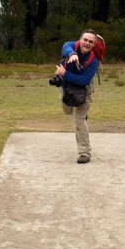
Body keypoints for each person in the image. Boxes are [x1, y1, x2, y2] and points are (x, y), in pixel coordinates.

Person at [53, 29, 98, 164]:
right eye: (85, 40)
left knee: (79, 120)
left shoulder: (93, 61)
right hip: (66, 89)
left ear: (94, 45)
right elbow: (65, 47)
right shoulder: (71, 45)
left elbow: (83, 80)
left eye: (91, 41)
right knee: (67, 110)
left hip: (82, 91)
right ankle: (82, 116)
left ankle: (85, 152)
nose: (87, 43)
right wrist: (72, 54)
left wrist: (63, 73)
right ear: (80, 39)